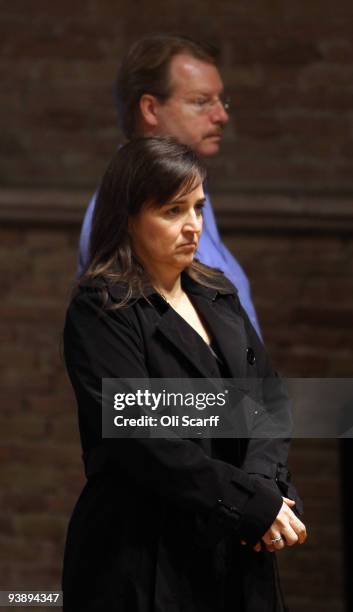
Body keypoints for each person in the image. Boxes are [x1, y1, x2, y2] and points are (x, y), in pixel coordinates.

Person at [63, 137, 306, 612]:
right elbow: (144, 441)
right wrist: (249, 503)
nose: (193, 226)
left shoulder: (216, 291)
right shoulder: (102, 310)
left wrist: (262, 487)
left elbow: (270, 400)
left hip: (235, 542)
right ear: (129, 218)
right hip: (144, 557)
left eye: (198, 208)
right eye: (172, 211)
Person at [77, 34, 262, 337]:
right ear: (150, 109)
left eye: (221, 101)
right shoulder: (122, 210)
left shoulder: (188, 189)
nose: (222, 116)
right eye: (201, 102)